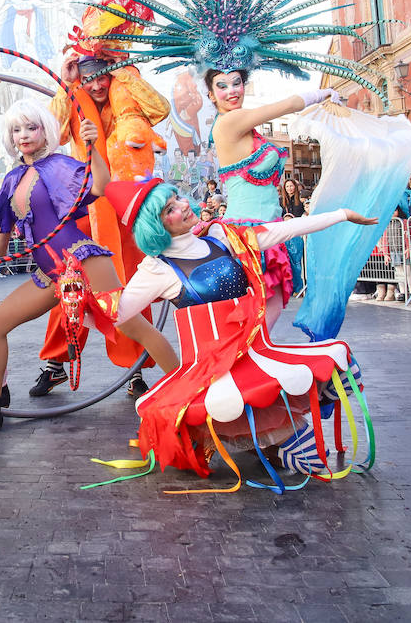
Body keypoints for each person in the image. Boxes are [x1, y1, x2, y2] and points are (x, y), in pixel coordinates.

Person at [100, 176, 376, 478]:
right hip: (214, 371)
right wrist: (73, 298)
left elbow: (282, 230)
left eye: (177, 198)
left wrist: (342, 215)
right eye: (169, 209)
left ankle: (273, 446)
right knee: (297, 447)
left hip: (258, 354)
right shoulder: (157, 269)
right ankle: (275, 445)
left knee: (339, 361)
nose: (182, 205)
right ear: (156, 226)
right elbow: (114, 312)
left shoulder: (223, 237)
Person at [0, 99, 179, 432]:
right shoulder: (12, 179)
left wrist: (91, 147)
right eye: (17, 129)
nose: (25, 135)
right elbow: (2, 237)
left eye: (32, 127)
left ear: (46, 131)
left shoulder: (59, 165)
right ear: (10, 136)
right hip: (49, 275)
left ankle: (189, 390)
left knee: (132, 327)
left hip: (85, 262)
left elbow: (100, 187)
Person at [28, 4, 172, 399]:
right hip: (81, 208)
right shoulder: (74, 97)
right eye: (88, 77)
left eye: (101, 75)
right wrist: (66, 83)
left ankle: (137, 369)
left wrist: (125, 69)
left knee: (130, 285)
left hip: (125, 209)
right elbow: (51, 133)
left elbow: (161, 110)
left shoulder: (128, 92)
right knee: (67, 281)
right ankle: (56, 363)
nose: (95, 85)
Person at [204, 69, 340, 326]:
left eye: (237, 83)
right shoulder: (230, 122)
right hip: (247, 232)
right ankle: (240, 360)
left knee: (271, 304)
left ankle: (249, 358)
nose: (232, 90)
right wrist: (323, 93)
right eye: (222, 86)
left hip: (266, 229)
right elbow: (287, 105)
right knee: (259, 309)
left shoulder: (244, 126)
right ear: (211, 95)